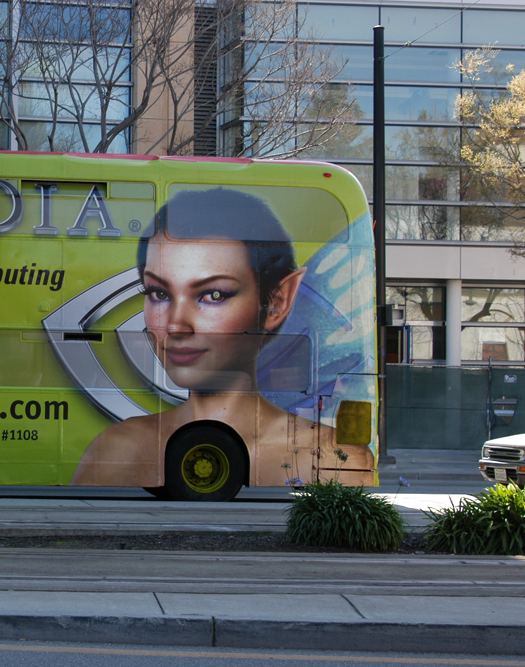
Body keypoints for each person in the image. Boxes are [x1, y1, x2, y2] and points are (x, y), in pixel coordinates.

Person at [72, 188, 373, 487]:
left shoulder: (336, 458)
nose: (176, 326)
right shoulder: (116, 449)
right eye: (159, 293)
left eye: (213, 295)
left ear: (277, 302)